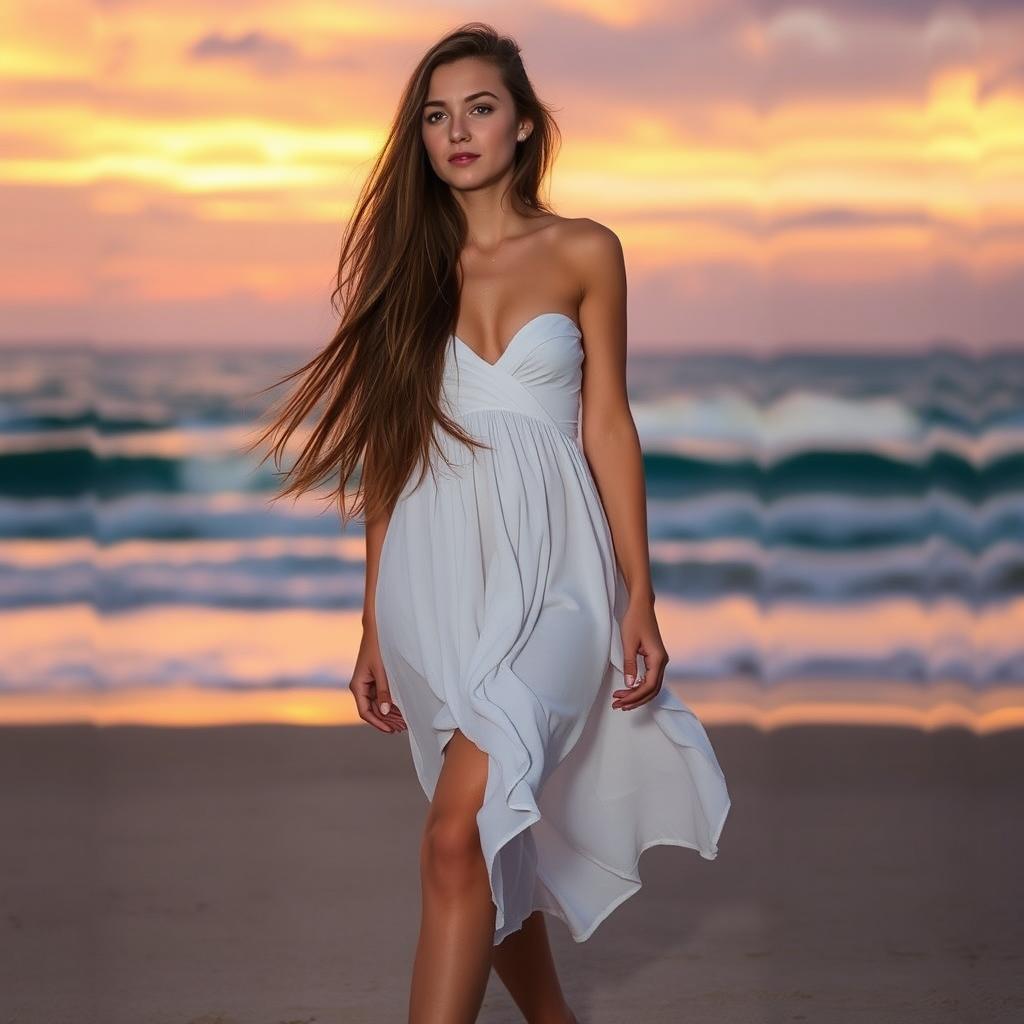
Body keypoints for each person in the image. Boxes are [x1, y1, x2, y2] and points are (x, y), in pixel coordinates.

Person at [251, 22, 731, 1024]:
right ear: (420, 140)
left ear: (522, 124)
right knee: (481, 834)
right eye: (435, 115)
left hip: (558, 576)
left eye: (478, 108)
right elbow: (390, 456)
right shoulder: (404, 278)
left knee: (453, 829)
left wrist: (639, 590)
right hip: (437, 579)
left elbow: (606, 422)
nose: (456, 130)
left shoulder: (585, 250)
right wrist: (373, 618)